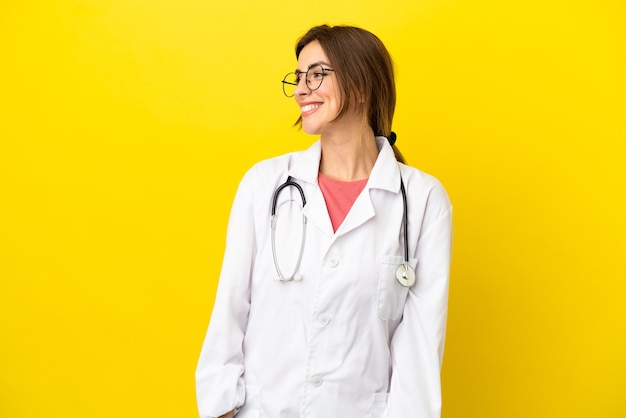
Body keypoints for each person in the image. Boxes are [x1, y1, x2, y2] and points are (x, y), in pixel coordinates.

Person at [196, 24, 453, 418]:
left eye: (316, 74)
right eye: (298, 77)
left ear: (361, 83)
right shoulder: (264, 184)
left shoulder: (422, 201)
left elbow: (419, 346)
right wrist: (221, 408)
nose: (301, 90)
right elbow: (230, 309)